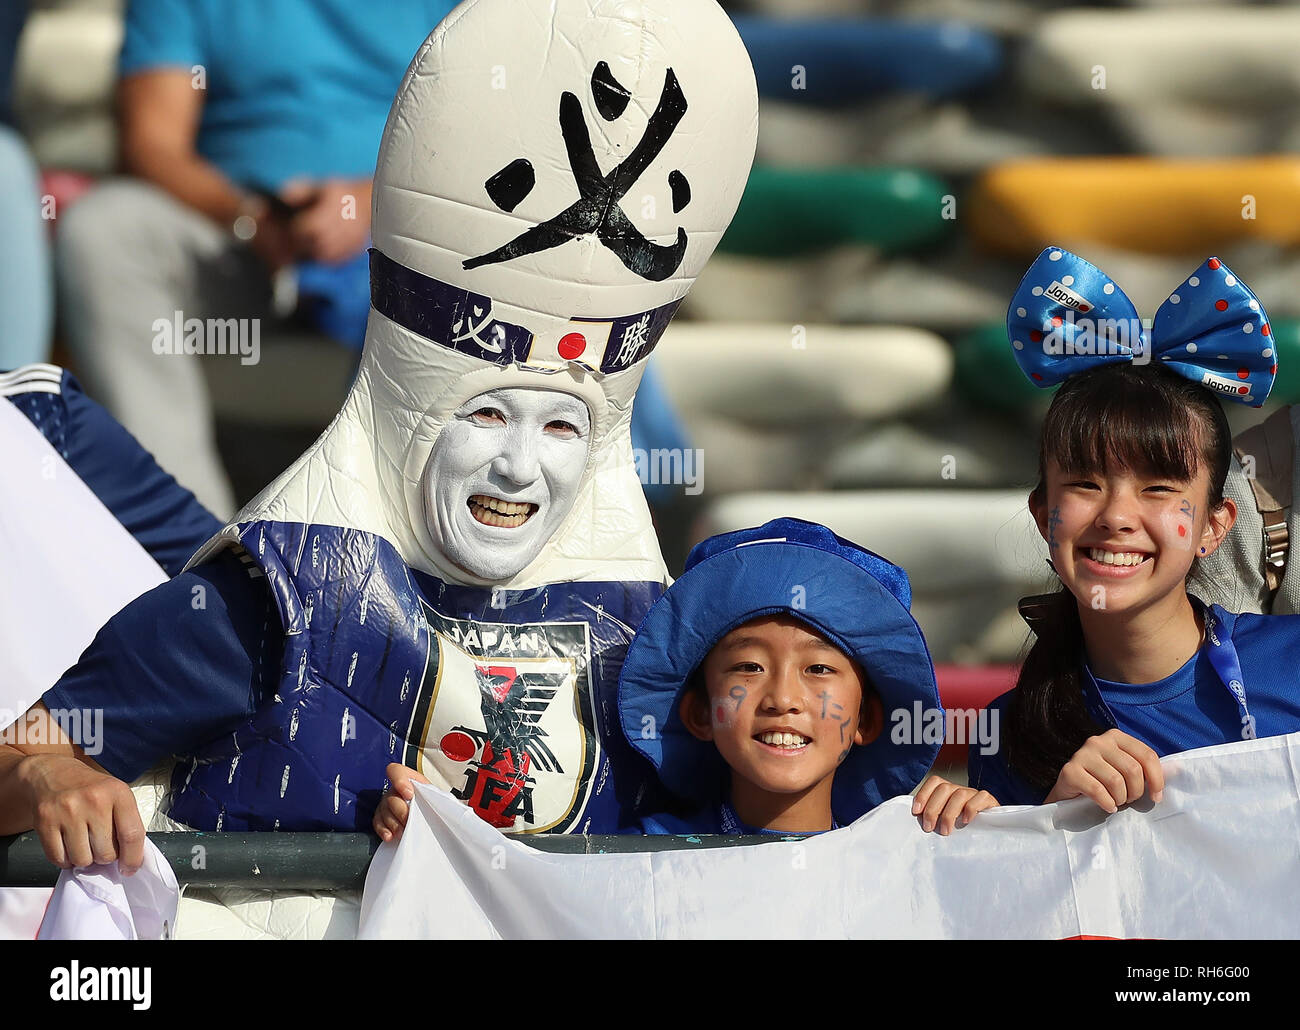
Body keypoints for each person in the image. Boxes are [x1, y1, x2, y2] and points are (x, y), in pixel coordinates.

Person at [0, 0, 760, 878]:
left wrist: (948, 812)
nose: (519, 464)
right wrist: (51, 773)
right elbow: (23, 759)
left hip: (397, 262)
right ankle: (206, 527)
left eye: (559, 426)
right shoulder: (260, 610)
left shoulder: (648, 656)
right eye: (486, 416)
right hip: (252, 256)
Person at [54, 0, 460, 516]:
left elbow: (494, 137)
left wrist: (373, 202)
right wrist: (248, 218)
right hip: (234, 242)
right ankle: (186, 551)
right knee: (102, 229)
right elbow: (151, 145)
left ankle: (388, 555)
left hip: (410, 239)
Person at [962, 246, 1300, 811]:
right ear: (1042, 512)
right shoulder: (1009, 732)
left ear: (1215, 526)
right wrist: (1055, 820)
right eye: (1086, 484)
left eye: (1159, 488)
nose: (1117, 517)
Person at [376, 517, 954, 841]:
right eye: (748, 667)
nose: (782, 698)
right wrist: (439, 845)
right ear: (698, 713)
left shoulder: (917, 849)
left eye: (820, 669)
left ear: (868, 720)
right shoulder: (638, 853)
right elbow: (518, 896)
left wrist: (987, 829)